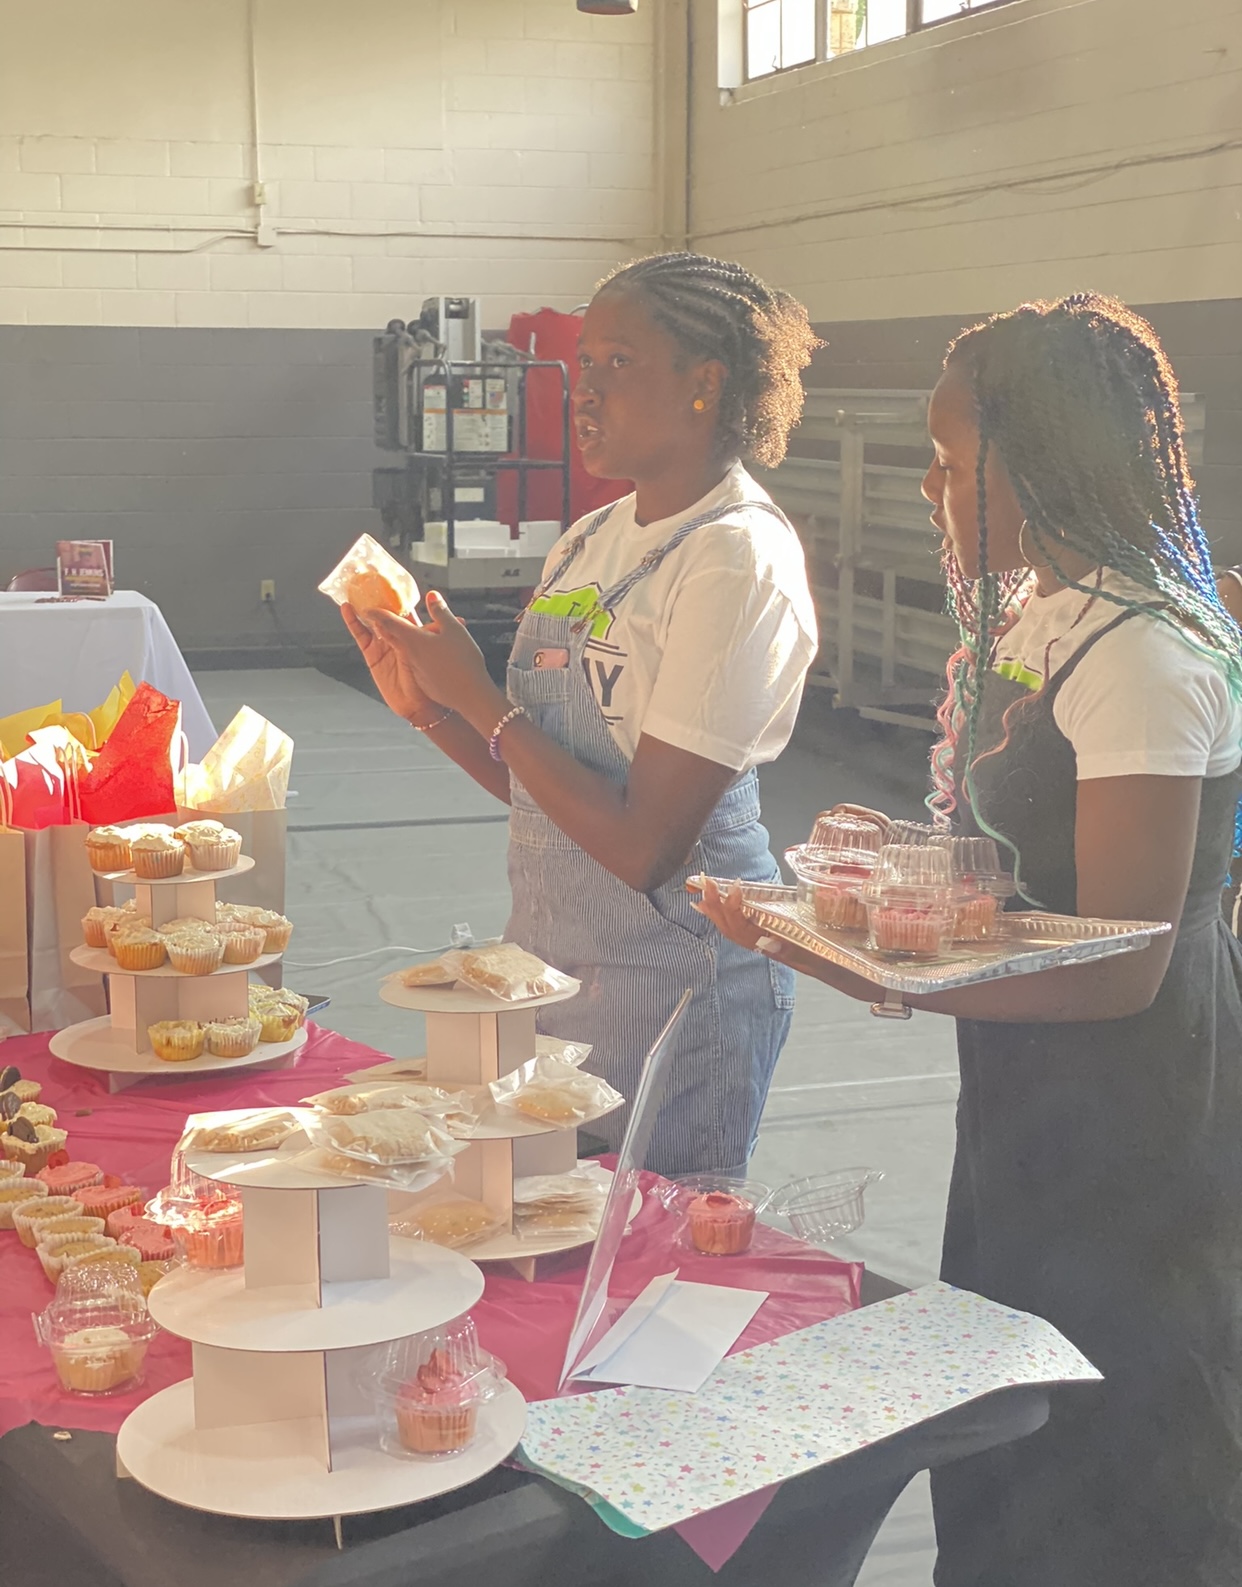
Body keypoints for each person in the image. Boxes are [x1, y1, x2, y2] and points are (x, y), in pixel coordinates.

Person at [698, 294, 1242, 1585]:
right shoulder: (1052, 617)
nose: (928, 486)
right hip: (1028, 1084)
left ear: (1036, 459)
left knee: (1113, 1408)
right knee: (1007, 1377)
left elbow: (1120, 962)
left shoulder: (1142, 654)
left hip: (1134, 1103)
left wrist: (863, 963)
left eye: (948, 460)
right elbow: (1029, 861)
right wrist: (894, 859)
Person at [343, 251, 820, 1177]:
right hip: (554, 980)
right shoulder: (589, 540)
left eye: (618, 363)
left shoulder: (733, 560)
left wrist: (479, 696)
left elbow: (645, 846)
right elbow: (545, 791)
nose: (584, 391)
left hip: (677, 991)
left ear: (705, 382)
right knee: (542, 1230)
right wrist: (432, 710)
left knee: (640, 1244)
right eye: (583, 364)